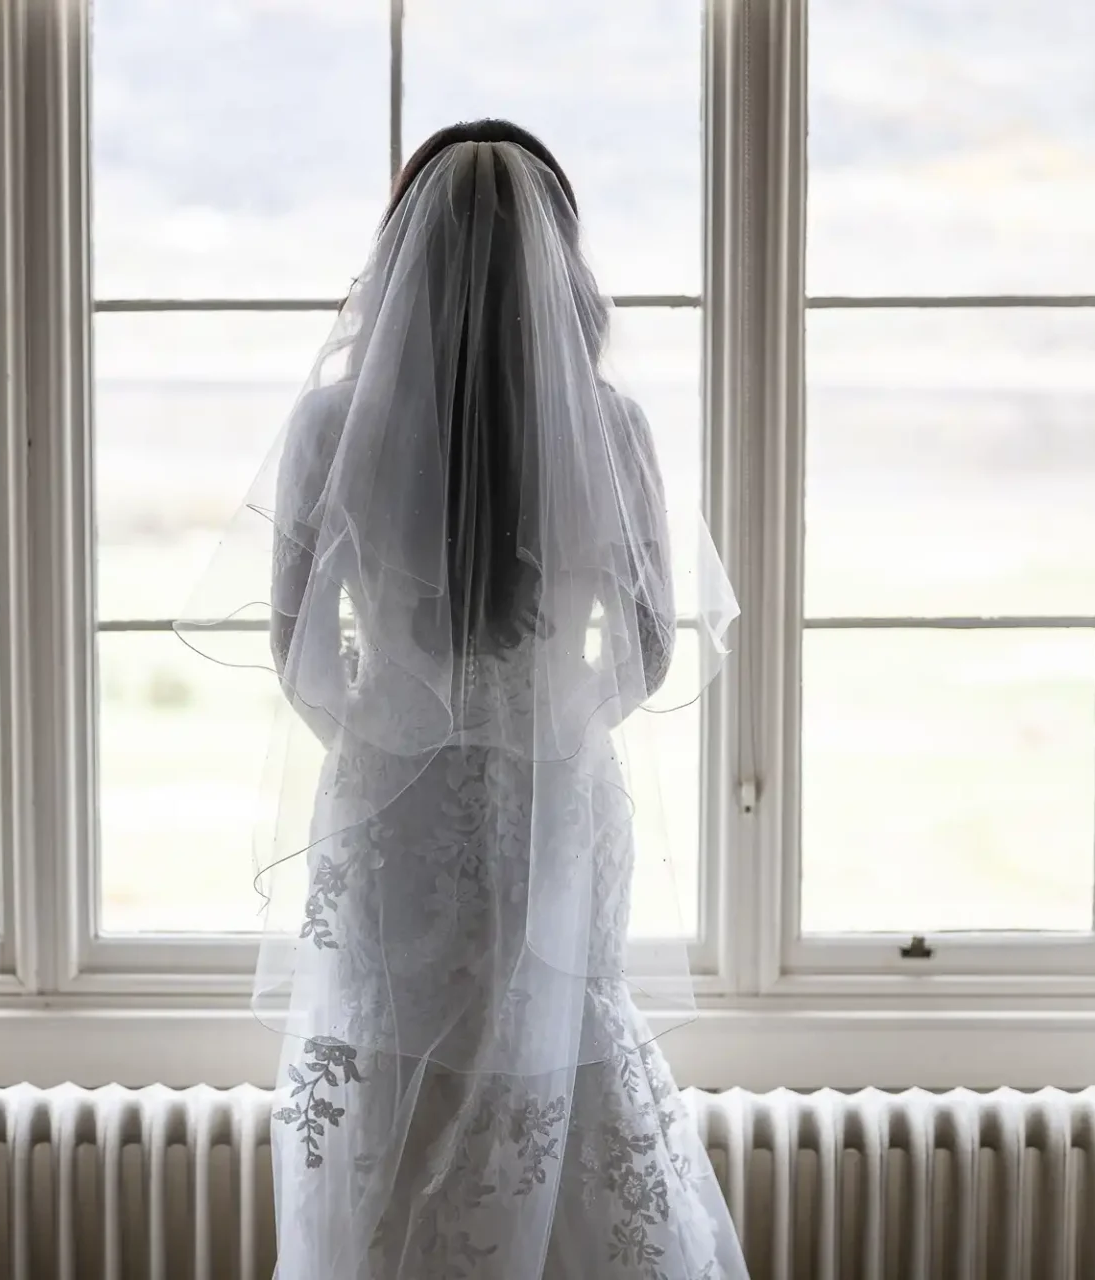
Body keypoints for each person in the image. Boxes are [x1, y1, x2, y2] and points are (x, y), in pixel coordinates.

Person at [177, 119, 744, 1279]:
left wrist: (385, 729)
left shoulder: (337, 424)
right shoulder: (610, 426)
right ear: (558, 261)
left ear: (403, 255)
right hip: (561, 801)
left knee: (400, 1076)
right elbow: (648, 650)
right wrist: (548, 724)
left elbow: (294, 645)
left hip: (393, 803)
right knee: (566, 1058)